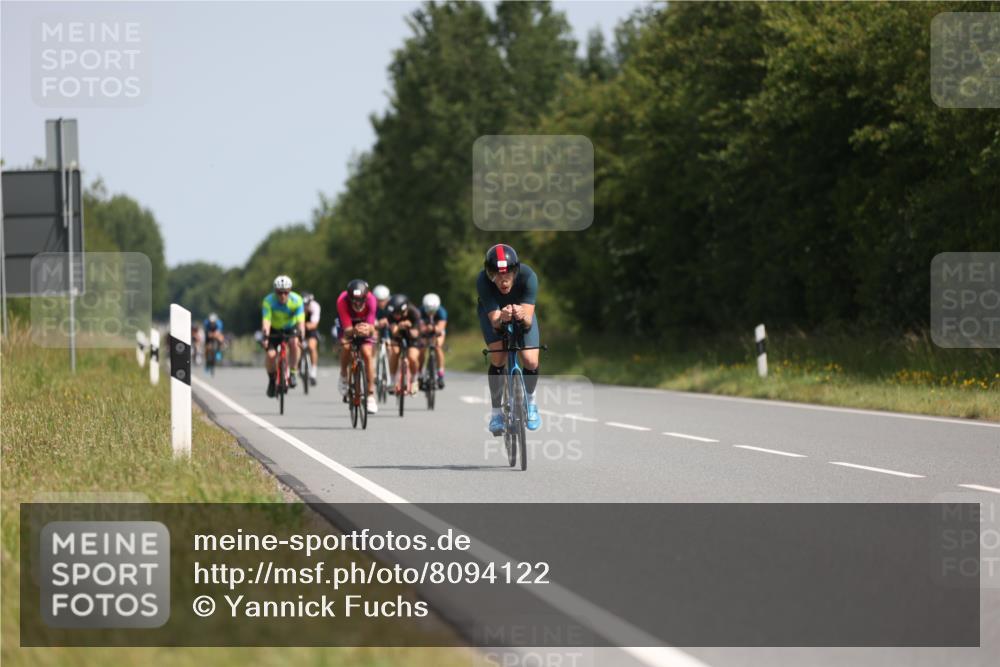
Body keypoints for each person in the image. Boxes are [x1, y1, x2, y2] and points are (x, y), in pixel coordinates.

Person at [478, 244, 542, 434]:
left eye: (507, 275)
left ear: (516, 271)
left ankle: (531, 403)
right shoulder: (482, 280)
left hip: (523, 312)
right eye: (496, 275)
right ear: (489, 274)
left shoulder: (529, 277)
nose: (502, 280)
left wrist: (522, 315)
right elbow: (495, 323)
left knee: (530, 360)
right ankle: (496, 413)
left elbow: (528, 323)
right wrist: (501, 318)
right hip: (493, 313)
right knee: (498, 357)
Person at [336, 279, 379, 414]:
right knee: (347, 347)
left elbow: (372, 327)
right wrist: (354, 331)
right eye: (354, 301)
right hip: (348, 324)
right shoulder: (342, 301)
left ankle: (371, 395)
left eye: (361, 300)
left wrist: (368, 329)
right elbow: (347, 329)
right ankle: (343, 375)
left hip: (365, 323)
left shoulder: (372, 300)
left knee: (366, 353)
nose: (358, 304)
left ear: (366, 298)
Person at [260, 275, 305, 397]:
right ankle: (271, 380)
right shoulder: (268, 301)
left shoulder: (297, 300)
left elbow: (301, 321)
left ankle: (293, 372)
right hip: (274, 329)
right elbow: (266, 321)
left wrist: (302, 336)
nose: (282, 296)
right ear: (275, 291)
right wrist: (265, 336)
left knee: (295, 343)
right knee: (271, 355)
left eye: (285, 292)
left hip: (290, 328)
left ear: (289, 291)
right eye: (279, 293)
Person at [385, 293, 422, 396]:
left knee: (412, 357)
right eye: (394, 314)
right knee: (394, 352)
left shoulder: (414, 313)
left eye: (398, 313)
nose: (395, 316)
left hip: (412, 337)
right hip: (398, 336)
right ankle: (392, 380)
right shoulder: (390, 314)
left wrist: (409, 327)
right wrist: (400, 327)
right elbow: (394, 331)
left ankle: (415, 380)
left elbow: (416, 334)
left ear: (404, 310)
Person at [418, 292, 448, 389]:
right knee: (421, 349)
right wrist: (426, 329)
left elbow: (440, 327)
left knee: (438, 347)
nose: (431, 313)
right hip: (424, 332)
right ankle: (420, 374)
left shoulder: (442, 311)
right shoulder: (420, 311)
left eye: (433, 311)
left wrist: (433, 329)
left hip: (437, 331)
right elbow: (420, 328)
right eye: (428, 310)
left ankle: (440, 374)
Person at [301, 292, 321, 386]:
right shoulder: (297, 306)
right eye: (303, 305)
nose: (305, 307)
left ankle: (313, 371)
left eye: (307, 305)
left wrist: (305, 325)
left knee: (312, 346)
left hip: (310, 328)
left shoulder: (315, 306)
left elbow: (314, 324)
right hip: (299, 327)